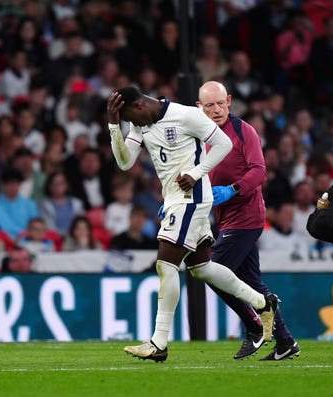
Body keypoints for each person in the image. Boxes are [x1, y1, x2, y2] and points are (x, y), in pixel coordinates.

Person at [107, 86, 278, 362]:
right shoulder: (141, 123)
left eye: (128, 118)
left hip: (192, 197)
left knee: (166, 264)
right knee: (202, 268)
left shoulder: (186, 115)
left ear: (138, 107)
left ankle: (159, 342)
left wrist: (197, 173)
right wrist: (115, 125)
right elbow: (124, 163)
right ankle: (262, 302)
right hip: (175, 199)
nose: (132, 126)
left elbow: (224, 143)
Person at [198, 81, 300, 360]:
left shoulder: (244, 131)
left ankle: (254, 326)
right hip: (225, 218)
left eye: (220, 103)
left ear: (229, 101)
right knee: (252, 283)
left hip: (246, 216)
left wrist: (233, 189)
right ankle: (285, 342)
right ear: (200, 108)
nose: (217, 110)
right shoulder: (199, 135)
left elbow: (259, 171)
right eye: (209, 105)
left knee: (214, 273)